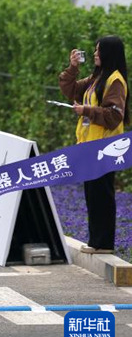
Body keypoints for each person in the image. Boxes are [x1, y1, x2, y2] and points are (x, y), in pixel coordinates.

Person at [59, 36, 130, 254]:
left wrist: (86, 111)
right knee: (92, 194)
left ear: (109, 53)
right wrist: (72, 68)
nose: (95, 54)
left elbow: (114, 115)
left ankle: (104, 244)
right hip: (89, 146)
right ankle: (96, 242)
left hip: (105, 148)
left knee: (102, 195)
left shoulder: (115, 81)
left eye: (99, 51)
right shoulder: (97, 78)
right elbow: (71, 91)